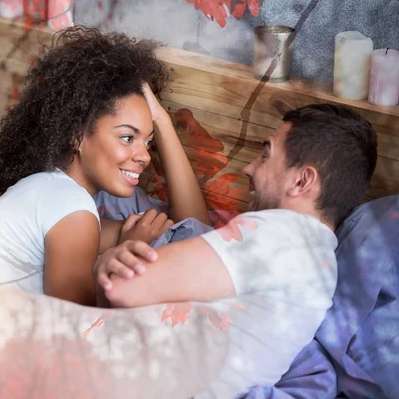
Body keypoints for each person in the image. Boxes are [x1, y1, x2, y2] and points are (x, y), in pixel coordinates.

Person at [93, 103, 378, 394]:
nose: (248, 168)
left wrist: (119, 253)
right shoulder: (320, 266)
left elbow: (121, 287)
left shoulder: (281, 235)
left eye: (266, 154)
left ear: (302, 180)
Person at [0, 27, 209, 306]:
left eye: (148, 142)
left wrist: (162, 121)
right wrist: (126, 254)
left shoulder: (50, 187)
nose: (143, 156)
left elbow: (194, 233)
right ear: (77, 135)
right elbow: (74, 325)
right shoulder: (71, 205)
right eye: (128, 137)